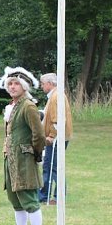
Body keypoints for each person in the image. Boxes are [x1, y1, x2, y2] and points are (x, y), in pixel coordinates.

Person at [1, 67, 46, 225]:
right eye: (10, 83)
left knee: (29, 200)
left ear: (24, 86)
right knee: (16, 201)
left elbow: (39, 135)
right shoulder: (13, 106)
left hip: (24, 160)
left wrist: (34, 154)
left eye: (16, 83)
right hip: (11, 159)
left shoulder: (28, 106)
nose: (12, 87)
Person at [38, 72, 73, 205]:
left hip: (56, 137)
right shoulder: (55, 95)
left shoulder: (55, 97)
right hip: (59, 136)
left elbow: (56, 119)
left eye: (43, 83)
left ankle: (56, 196)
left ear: (50, 84)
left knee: (54, 167)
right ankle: (46, 194)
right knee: (50, 166)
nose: (41, 86)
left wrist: (52, 135)